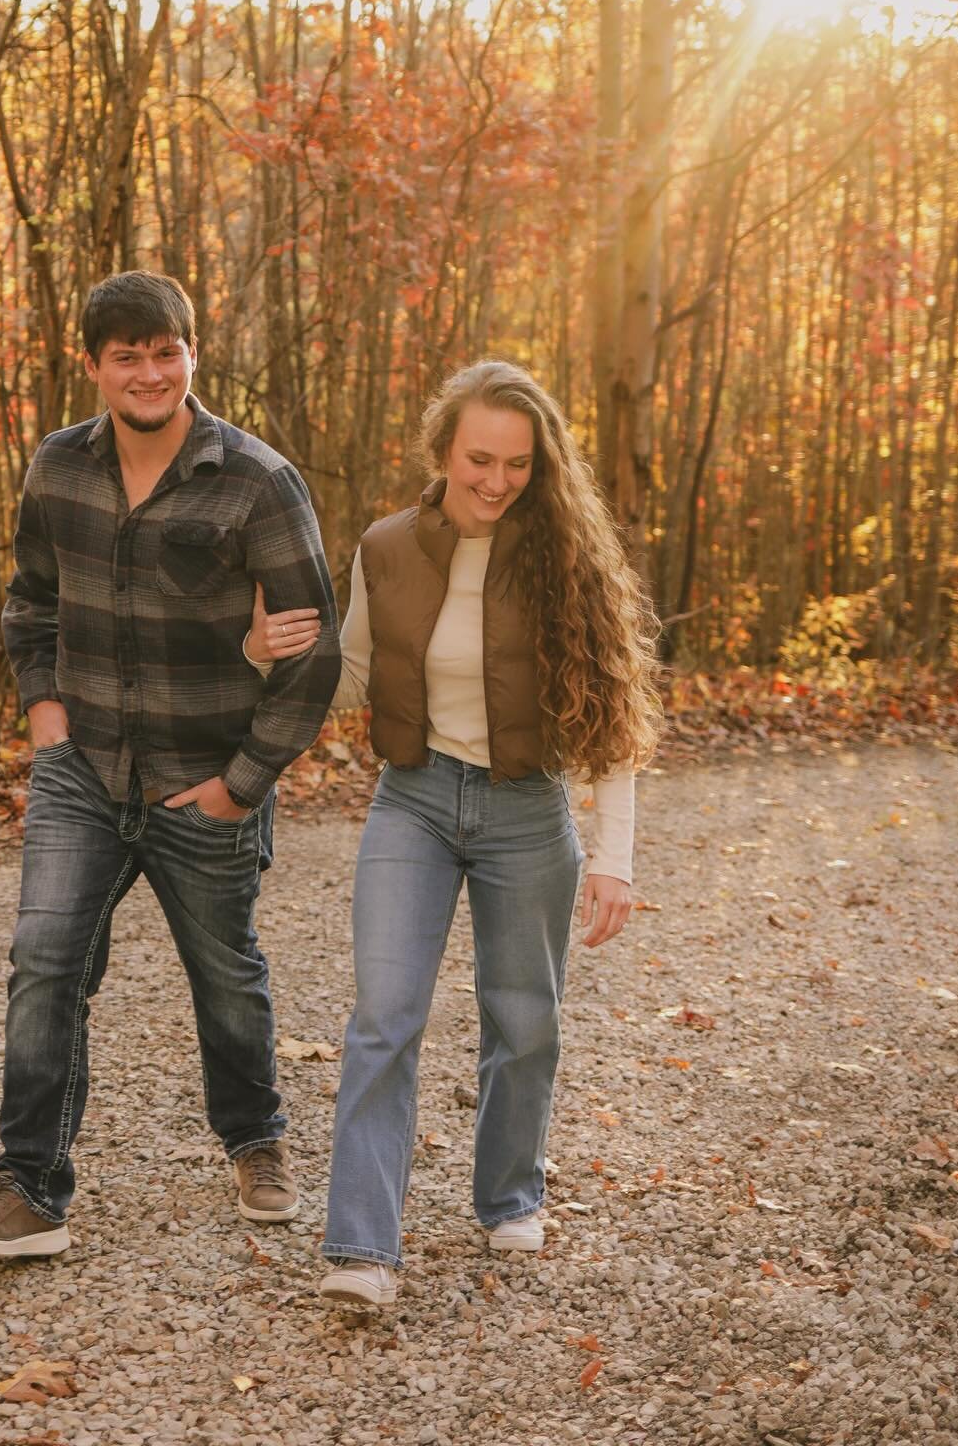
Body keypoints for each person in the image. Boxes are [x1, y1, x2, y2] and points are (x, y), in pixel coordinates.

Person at [0, 271, 342, 1259]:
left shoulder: (257, 482)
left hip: (202, 778)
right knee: (45, 962)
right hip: (81, 770)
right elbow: (31, 601)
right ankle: (29, 1189)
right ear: (94, 365)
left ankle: (255, 1138)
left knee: (225, 973)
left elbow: (315, 653)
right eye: (128, 357)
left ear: (192, 354)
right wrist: (46, 718)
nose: (150, 374)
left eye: (167, 353)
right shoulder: (58, 467)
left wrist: (240, 786)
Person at [248, 360, 660, 1308]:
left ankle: (510, 1193)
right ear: (443, 451)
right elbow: (354, 677)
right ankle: (362, 1249)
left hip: (528, 810)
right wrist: (263, 651)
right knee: (385, 1016)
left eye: (518, 464)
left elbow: (610, 720)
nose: (497, 480)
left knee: (525, 1019)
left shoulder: (566, 553)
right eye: (480, 459)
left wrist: (614, 859)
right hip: (416, 801)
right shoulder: (387, 547)